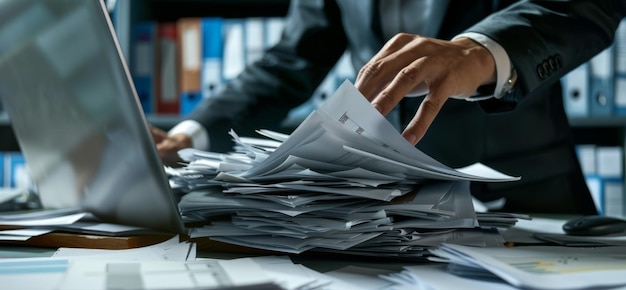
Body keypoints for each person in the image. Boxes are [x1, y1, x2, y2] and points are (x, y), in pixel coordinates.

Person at [151, 0, 626, 215]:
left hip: (525, 202)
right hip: (380, 212)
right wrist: (189, 135)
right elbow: (292, 60)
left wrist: (478, 51)